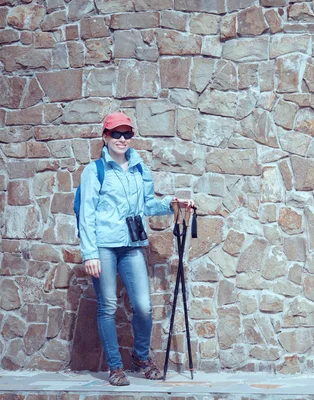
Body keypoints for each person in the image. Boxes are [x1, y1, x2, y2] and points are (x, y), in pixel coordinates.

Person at [78, 112, 194, 386]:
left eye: (126, 134)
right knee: (107, 306)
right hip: (104, 246)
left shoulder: (140, 168)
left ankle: (141, 358)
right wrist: (90, 253)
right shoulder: (94, 171)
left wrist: (172, 204)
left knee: (143, 306)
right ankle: (115, 367)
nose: (121, 139)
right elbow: (86, 213)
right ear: (105, 136)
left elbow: (146, 206)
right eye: (116, 133)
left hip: (132, 246)